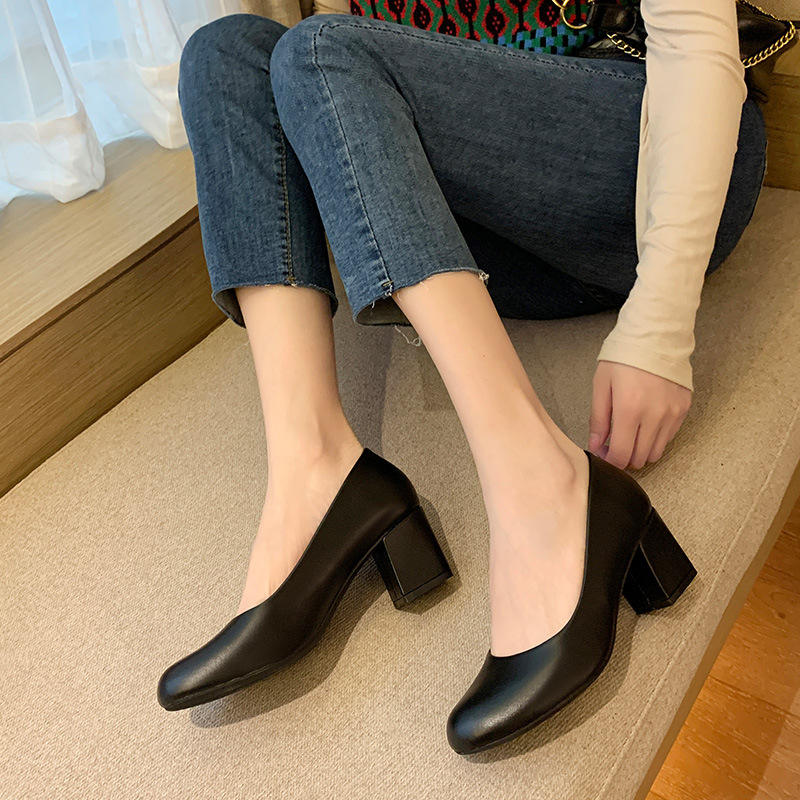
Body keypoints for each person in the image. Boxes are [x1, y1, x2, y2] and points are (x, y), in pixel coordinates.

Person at [157, 0, 766, 754]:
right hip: (491, 229)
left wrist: (660, 322)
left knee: (320, 50)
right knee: (226, 53)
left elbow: (698, 47)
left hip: (637, 155)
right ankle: (315, 467)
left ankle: (543, 483)